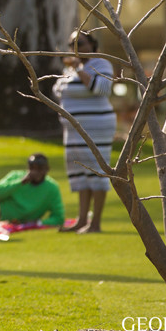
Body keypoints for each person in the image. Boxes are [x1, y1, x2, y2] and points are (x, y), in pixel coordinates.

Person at [54, 30, 116, 234]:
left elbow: (101, 89)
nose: (75, 48)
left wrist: (79, 68)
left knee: (96, 172)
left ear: (92, 45)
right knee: (80, 173)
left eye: (80, 43)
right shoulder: (69, 69)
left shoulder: (101, 64)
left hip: (96, 127)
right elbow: (57, 90)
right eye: (72, 44)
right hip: (73, 130)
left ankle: (95, 223)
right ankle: (81, 220)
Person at [0, 153, 65, 226]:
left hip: (21, 224)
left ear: (47, 169)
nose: (35, 172)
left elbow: (58, 218)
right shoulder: (15, 176)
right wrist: (20, 182)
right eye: (32, 168)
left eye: (39, 168)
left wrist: (38, 223)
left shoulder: (52, 188)